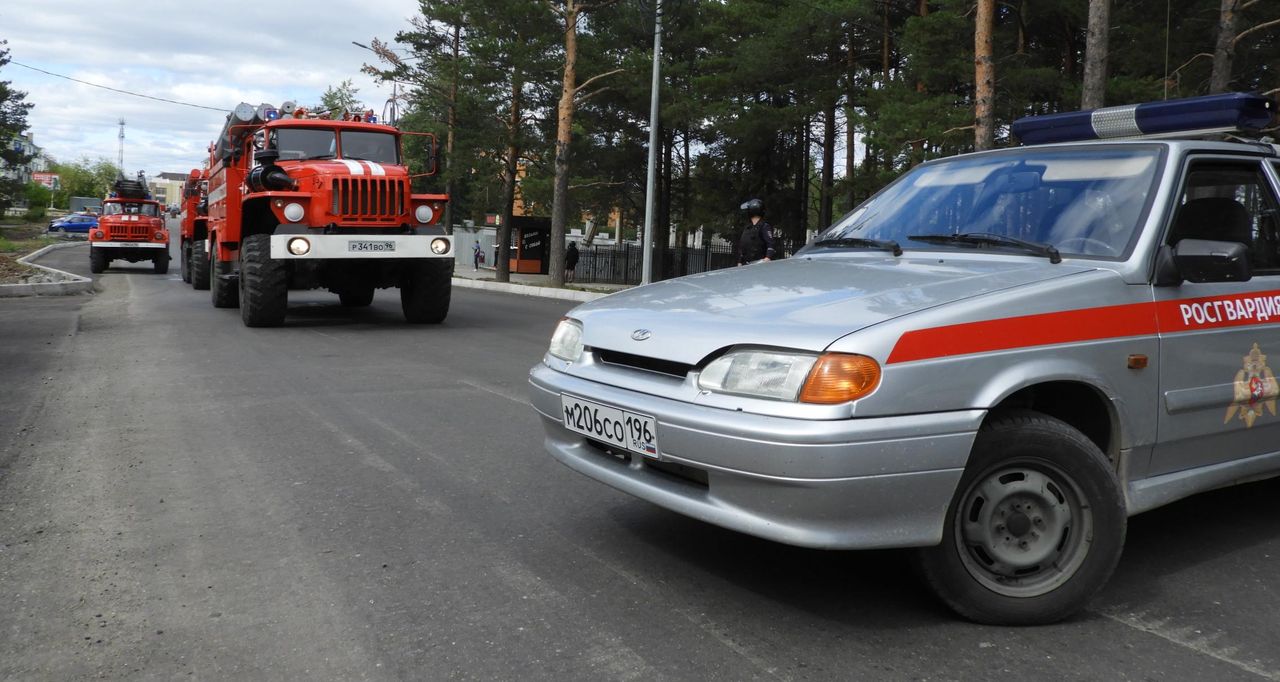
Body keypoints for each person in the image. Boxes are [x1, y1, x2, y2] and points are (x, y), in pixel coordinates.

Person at [737, 198, 776, 265]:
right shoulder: (748, 228)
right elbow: (743, 246)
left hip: (760, 265)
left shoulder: (764, 226)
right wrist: (740, 261)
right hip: (746, 265)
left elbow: (770, 244)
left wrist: (767, 258)